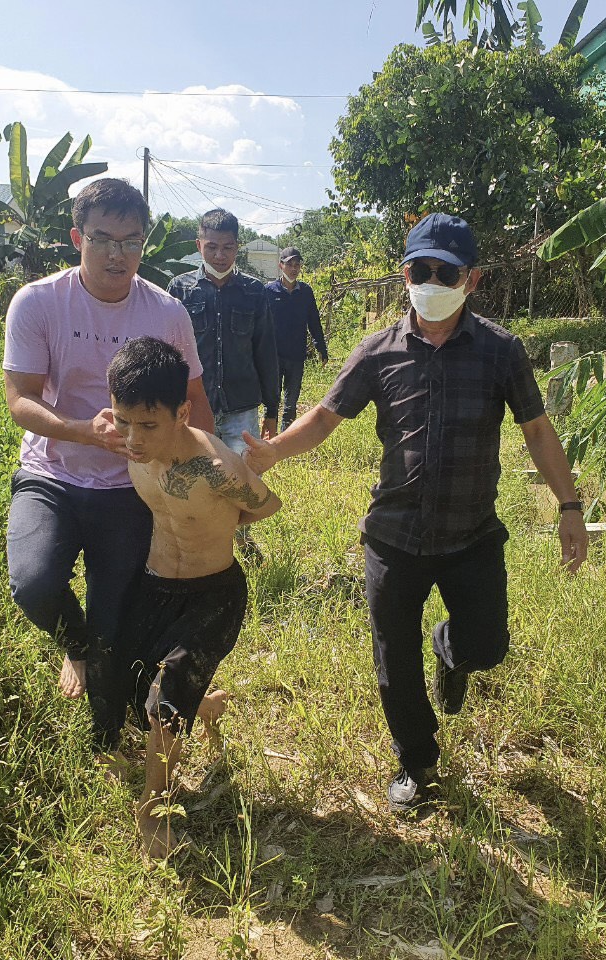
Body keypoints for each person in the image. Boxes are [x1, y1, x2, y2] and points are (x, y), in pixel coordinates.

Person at [244, 213, 588, 813]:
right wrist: (271, 453)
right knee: (391, 655)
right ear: (405, 274)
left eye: (444, 271)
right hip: (394, 533)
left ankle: (451, 652)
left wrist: (570, 505)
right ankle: (417, 761)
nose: (430, 280)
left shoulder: (501, 351)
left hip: (471, 533)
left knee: (487, 645)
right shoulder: (378, 352)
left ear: (471, 280)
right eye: (419, 269)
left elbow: (537, 430)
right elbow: (326, 418)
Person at [3, 177, 215, 754]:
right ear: (77, 238)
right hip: (52, 475)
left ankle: (109, 738)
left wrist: (193, 476)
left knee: (113, 620)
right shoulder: (40, 301)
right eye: (104, 239)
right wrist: (83, 433)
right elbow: (20, 399)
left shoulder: (166, 312)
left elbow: (197, 405)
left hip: (131, 489)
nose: (118, 254)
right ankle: (74, 649)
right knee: (35, 581)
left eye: (132, 240)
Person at [106, 336, 281, 858]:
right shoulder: (129, 446)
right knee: (137, 692)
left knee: (164, 707)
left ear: (183, 412)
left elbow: (265, 505)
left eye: (148, 426)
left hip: (214, 594)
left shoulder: (217, 466)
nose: (133, 439)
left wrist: (218, 520)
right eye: (123, 422)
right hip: (155, 587)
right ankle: (206, 703)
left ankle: (153, 808)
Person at [167, 209, 280, 454]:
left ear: (237, 247)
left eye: (227, 247)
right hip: (193, 406)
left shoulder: (254, 291)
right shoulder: (180, 289)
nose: (219, 255)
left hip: (242, 410)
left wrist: (272, 409)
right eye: (212, 247)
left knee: (242, 482)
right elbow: (168, 352)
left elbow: (266, 353)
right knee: (196, 480)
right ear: (199, 245)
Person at [266, 246, 329, 431]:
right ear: (281, 266)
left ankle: (286, 437)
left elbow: (314, 322)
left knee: (291, 401)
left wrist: (321, 348)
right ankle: (270, 435)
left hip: (296, 355)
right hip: (274, 356)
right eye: (289, 264)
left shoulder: (305, 292)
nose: (294, 268)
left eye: (297, 265)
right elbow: (259, 323)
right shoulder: (269, 291)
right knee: (272, 399)